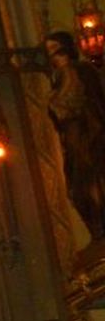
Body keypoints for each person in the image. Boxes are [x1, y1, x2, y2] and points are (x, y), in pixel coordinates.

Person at [44, 30, 105, 241]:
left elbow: (78, 101)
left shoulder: (80, 71)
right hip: (73, 140)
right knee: (77, 189)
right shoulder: (59, 77)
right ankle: (97, 230)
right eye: (49, 51)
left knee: (92, 184)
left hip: (89, 135)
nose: (52, 55)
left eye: (55, 49)